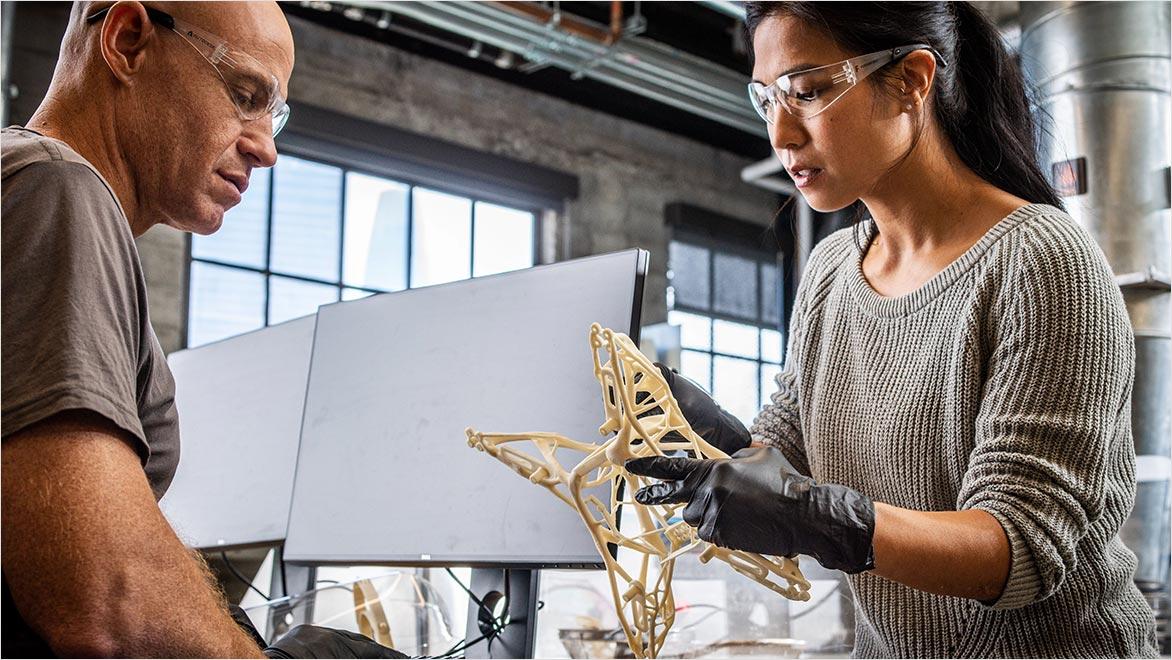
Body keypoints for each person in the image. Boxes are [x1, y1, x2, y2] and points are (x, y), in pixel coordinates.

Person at [627, 2, 1159, 657]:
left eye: (808, 91)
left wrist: (831, 523)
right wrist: (719, 447)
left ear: (910, 79)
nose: (781, 134)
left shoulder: (1039, 259)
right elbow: (787, 459)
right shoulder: (830, 269)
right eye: (767, 98)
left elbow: (1019, 548)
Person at [1, 2, 401, 657]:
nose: (266, 147)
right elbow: (109, 600)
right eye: (245, 95)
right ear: (129, 41)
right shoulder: (55, 189)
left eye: (275, 116)